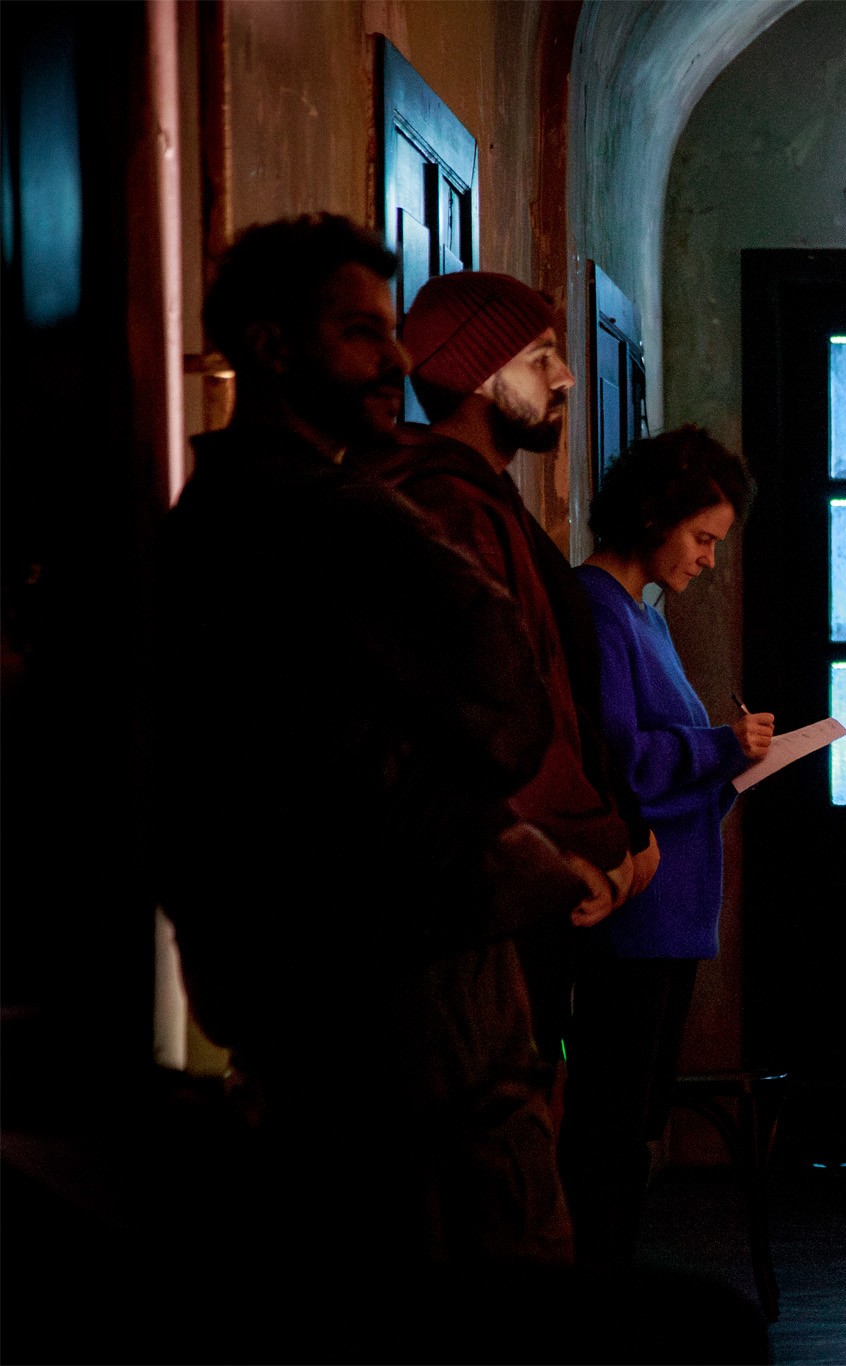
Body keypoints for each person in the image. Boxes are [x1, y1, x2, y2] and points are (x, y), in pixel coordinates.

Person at [153, 216, 589, 1266]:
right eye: (359, 332)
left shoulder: (206, 521)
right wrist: (475, 834)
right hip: (416, 1003)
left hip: (301, 996)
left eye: (391, 330)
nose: (396, 360)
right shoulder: (332, 519)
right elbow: (510, 706)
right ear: (272, 348)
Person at [354, 271, 656, 1066]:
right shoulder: (450, 509)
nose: (567, 377)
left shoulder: (481, 498)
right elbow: (500, 710)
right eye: (541, 356)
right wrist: (592, 840)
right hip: (481, 889)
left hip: (505, 877)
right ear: (481, 374)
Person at [560, 426, 772, 1265]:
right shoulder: (597, 608)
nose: (709, 562)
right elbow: (615, 766)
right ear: (654, 516)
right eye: (702, 539)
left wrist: (732, 760)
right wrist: (719, 748)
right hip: (635, 922)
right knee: (611, 1130)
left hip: (668, 918)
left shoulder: (644, 615)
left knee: (633, 1127)